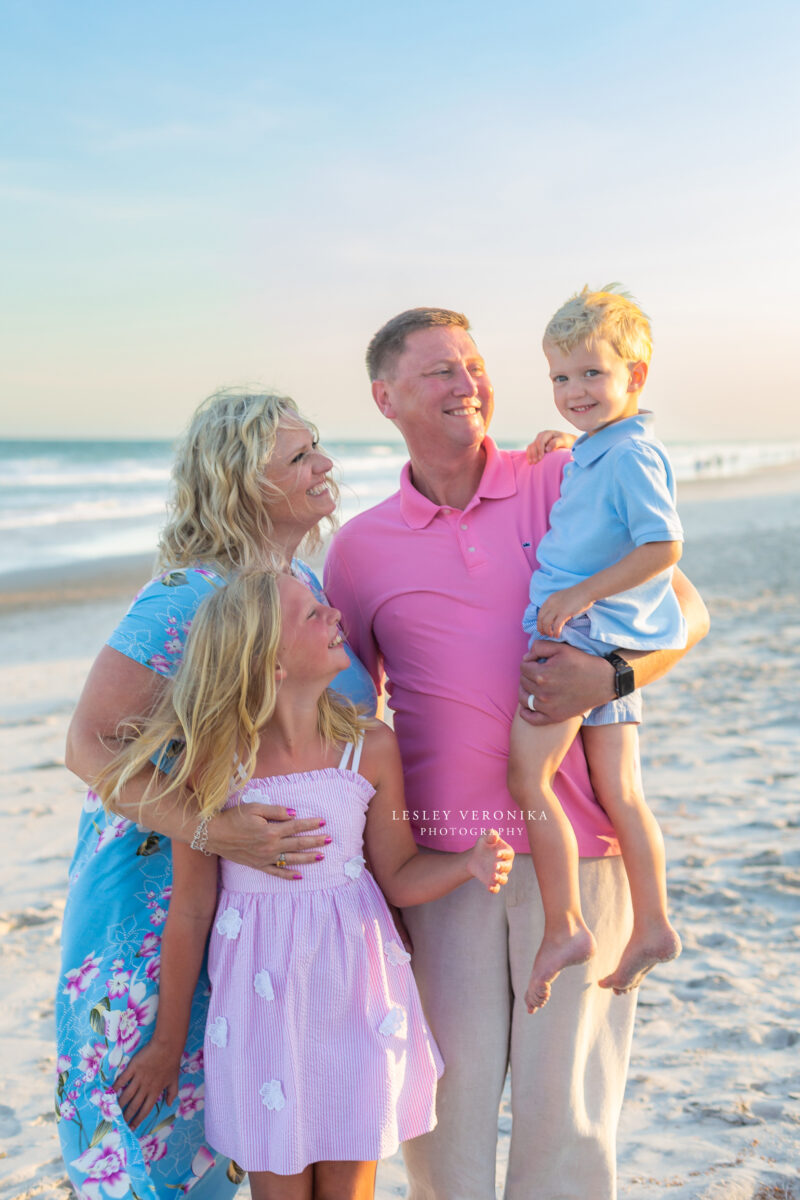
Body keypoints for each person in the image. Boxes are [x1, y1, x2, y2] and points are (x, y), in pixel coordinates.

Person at [324, 307, 709, 1200]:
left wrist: (612, 676)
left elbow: (688, 612)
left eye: (474, 365)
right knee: (442, 1117)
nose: (469, 385)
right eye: (440, 373)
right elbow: (344, 716)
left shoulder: (562, 474)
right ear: (386, 399)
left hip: (583, 850)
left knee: (567, 1117)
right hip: (448, 860)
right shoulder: (359, 548)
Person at [94, 570, 514, 1200]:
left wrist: (465, 864)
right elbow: (190, 912)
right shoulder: (211, 766)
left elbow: (396, 874)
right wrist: (166, 1044)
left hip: (356, 1002)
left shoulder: (368, 748)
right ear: (268, 660)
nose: (333, 614)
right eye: (310, 614)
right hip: (261, 1011)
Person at [57, 390, 376, 1199]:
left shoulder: (304, 585)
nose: (325, 465)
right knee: (145, 1144)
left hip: (268, 912)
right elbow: (86, 742)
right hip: (151, 897)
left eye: (318, 449)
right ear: (243, 481)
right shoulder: (181, 596)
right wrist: (212, 830)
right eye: (301, 457)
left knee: (236, 1132)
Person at [507, 286, 685, 1014]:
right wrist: (563, 447)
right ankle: (652, 925)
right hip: (609, 639)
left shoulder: (631, 453)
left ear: (634, 377)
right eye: (560, 378)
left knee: (526, 779)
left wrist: (581, 594)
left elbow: (663, 544)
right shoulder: (602, 448)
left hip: (580, 639)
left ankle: (564, 926)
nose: (573, 391)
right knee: (623, 793)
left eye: (591, 375)